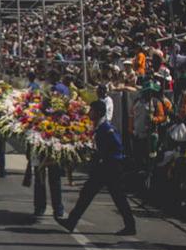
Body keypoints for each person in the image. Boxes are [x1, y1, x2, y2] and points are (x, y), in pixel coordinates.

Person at [58, 100, 136, 235]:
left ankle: (130, 226)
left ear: (99, 113)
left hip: (110, 167)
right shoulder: (99, 127)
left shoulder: (107, 128)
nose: (89, 113)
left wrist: (101, 156)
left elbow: (117, 146)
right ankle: (71, 221)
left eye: (92, 110)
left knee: (117, 197)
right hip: (104, 166)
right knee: (87, 194)